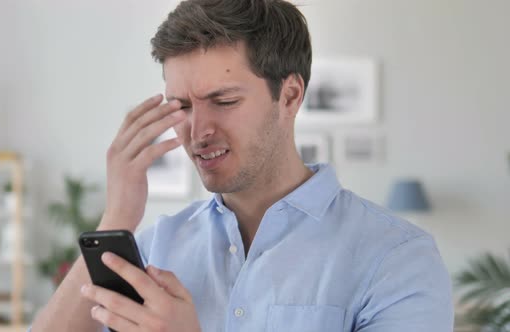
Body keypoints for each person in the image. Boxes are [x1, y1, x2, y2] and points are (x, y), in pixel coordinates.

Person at [31, 0, 454, 331]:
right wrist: (117, 216)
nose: (198, 131)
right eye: (181, 106)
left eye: (224, 101)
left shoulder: (396, 258)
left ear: (289, 96)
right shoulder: (155, 248)